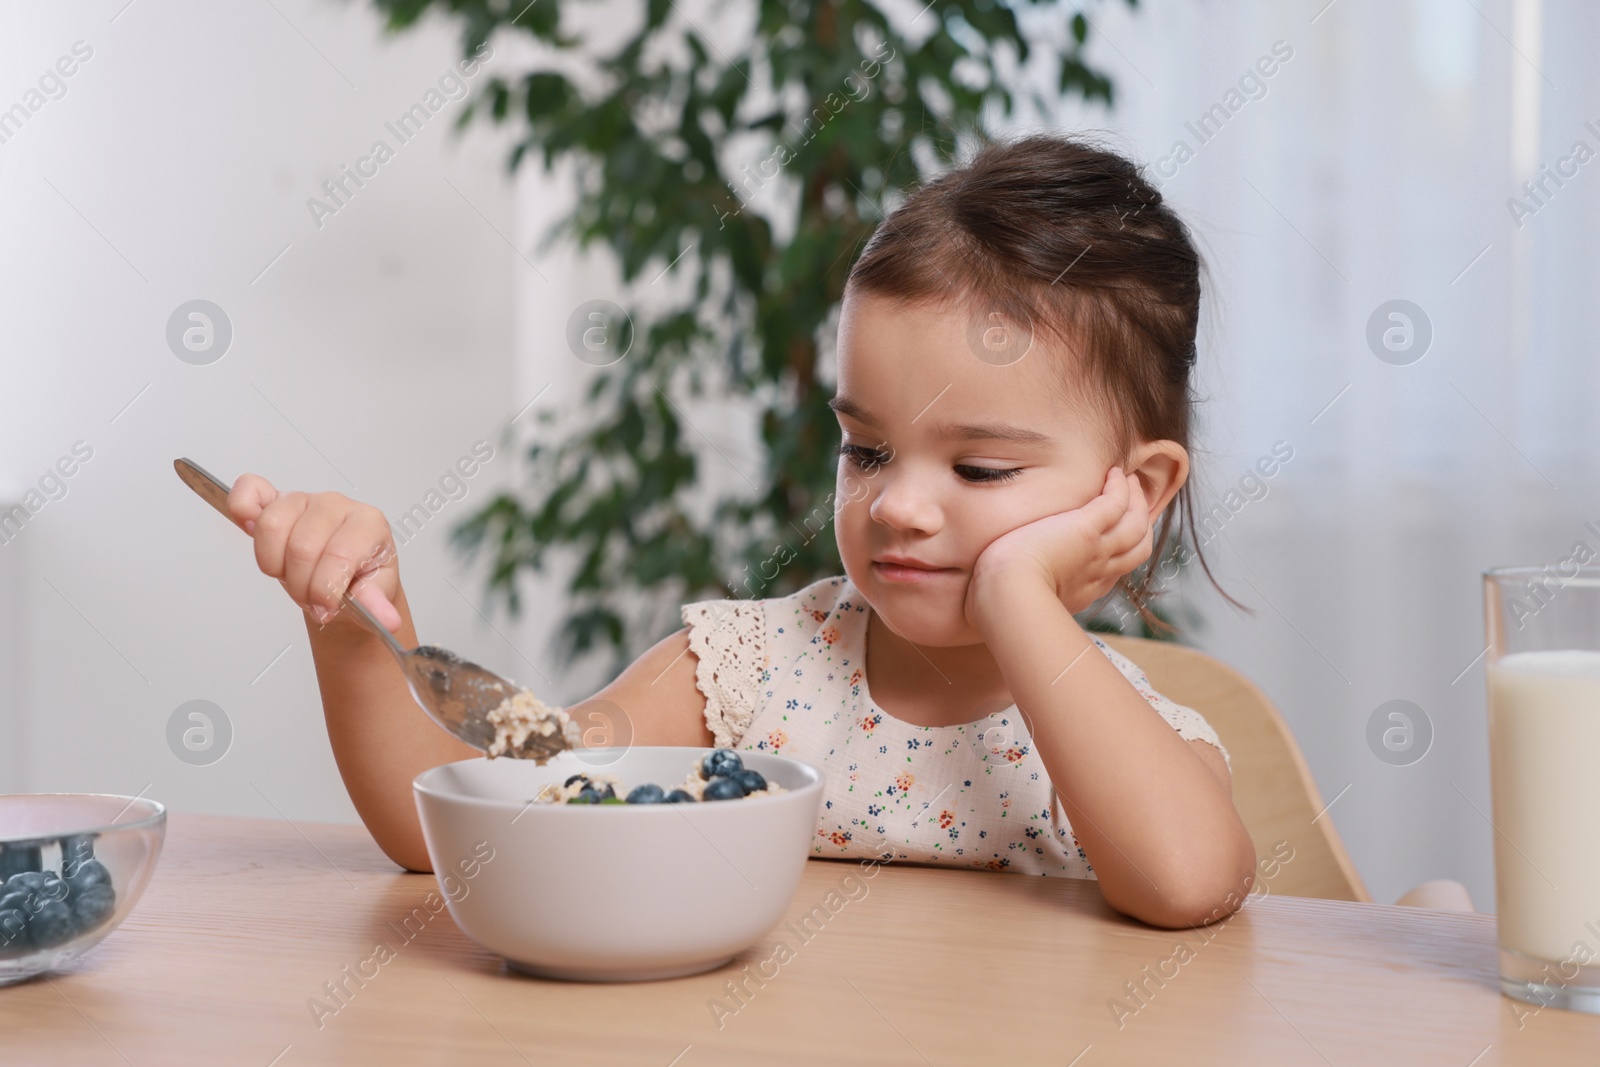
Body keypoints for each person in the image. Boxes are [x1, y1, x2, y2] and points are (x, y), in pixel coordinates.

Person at [226, 133, 1256, 929]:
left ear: (1139, 488)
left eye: (980, 467)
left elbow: (1189, 884)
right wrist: (358, 624)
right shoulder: (751, 674)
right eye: (866, 450)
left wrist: (1018, 595)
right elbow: (472, 826)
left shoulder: (1121, 731)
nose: (896, 504)